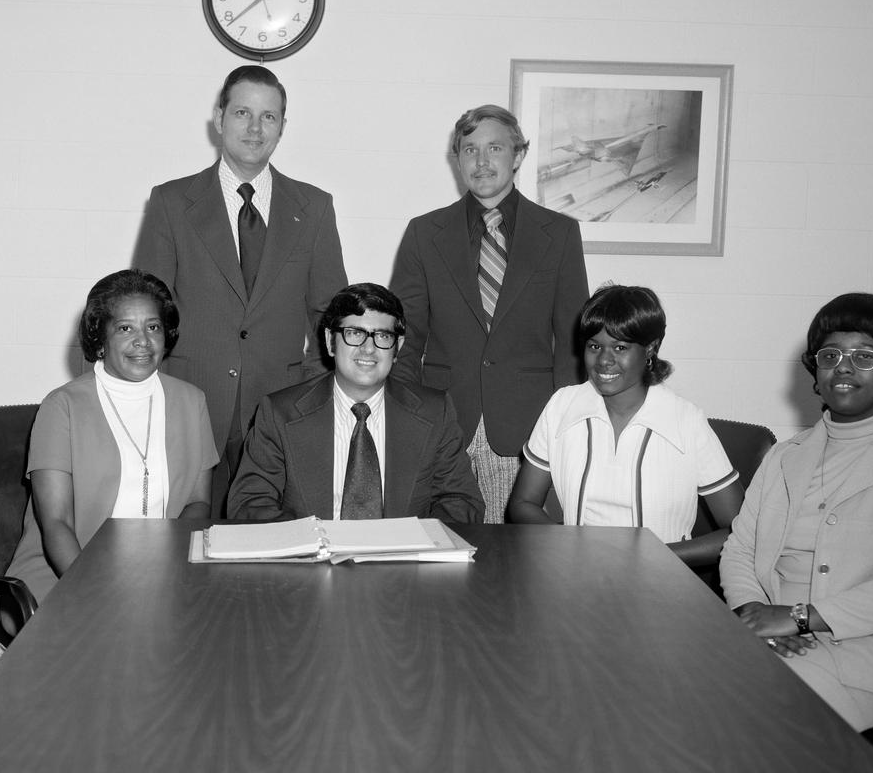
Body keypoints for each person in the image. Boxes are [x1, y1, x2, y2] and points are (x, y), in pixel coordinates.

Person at [720, 293, 873, 732]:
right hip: (775, 637)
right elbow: (740, 547)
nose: (844, 367)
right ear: (816, 369)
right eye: (831, 355)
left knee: (746, 713)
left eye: (865, 356)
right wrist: (754, 610)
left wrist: (798, 618)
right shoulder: (782, 457)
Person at [134, 65, 347, 512]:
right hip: (191, 405)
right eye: (243, 113)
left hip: (280, 410)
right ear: (219, 118)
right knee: (186, 548)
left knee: (270, 555)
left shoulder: (314, 208)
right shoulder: (171, 203)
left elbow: (331, 318)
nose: (255, 128)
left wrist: (306, 392)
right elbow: (147, 314)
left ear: (283, 127)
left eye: (269, 117)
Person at [390, 104, 587, 522]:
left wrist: (562, 429)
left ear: (517, 156)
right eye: (469, 150)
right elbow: (404, 339)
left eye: (494, 148)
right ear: (457, 159)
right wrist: (406, 417)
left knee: (513, 562)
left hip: (527, 429)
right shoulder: (425, 233)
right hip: (442, 423)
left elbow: (573, 344)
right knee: (438, 559)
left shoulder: (560, 234)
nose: (481, 162)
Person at [6, 270, 218, 602]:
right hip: (68, 580)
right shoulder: (62, 406)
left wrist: (171, 569)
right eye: (124, 328)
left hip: (161, 577)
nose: (142, 342)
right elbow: (57, 523)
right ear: (99, 339)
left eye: (153, 327)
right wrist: (100, 593)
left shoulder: (192, 402)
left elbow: (198, 502)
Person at [508, 285, 743, 563]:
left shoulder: (685, 421)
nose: (604, 361)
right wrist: (571, 548)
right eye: (594, 346)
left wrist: (654, 558)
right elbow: (523, 504)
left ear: (651, 349)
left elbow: (742, 532)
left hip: (662, 584)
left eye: (620, 347)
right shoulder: (562, 406)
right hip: (575, 577)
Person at [228, 283, 483, 523]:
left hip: (403, 564)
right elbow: (249, 503)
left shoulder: (435, 412)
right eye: (354, 333)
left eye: (382, 336)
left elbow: (461, 502)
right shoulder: (280, 413)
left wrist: (409, 546)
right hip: (311, 562)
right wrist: (312, 544)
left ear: (398, 348)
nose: (368, 348)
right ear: (330, 341)